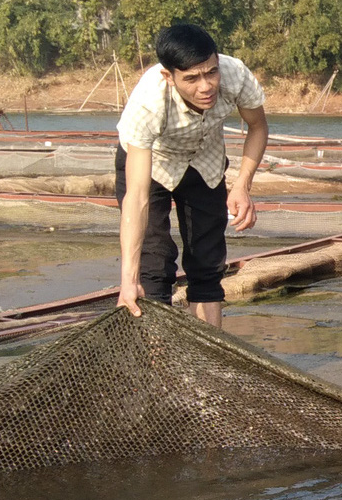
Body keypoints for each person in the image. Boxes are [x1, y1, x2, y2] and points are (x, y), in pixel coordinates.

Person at [115, 23, 269, 323]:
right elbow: (137, 197)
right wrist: (128, 279)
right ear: (169, 76)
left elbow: (258, 126)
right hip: (153, 165)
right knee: (154, 266)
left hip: (204, 161)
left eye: (211, 72)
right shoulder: (149, 102)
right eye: (191, 78)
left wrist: (241, 186)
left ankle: (207, 354)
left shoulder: (235, 74)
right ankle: (155, 360)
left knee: (207, 263)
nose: (205, 86)